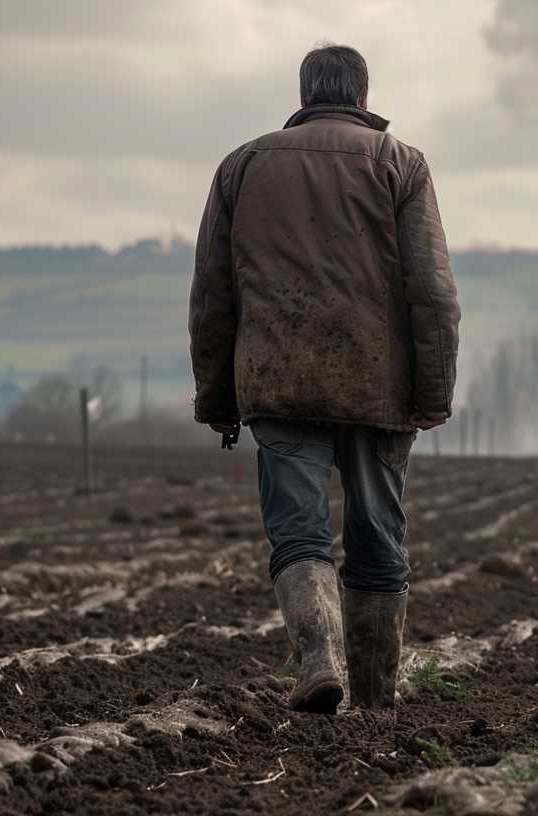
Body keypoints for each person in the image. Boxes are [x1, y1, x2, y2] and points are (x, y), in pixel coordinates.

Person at [188, 43, 460, 714]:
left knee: (299, 534)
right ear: (363, 96)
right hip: (378, 387)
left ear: (306, 91)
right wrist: (431, 394)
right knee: (377, 538)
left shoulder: (243, 164)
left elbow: (213, 295)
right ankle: (373, 700)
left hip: (277, 380)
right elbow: (432, 292)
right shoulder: (401, 165)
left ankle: (319, 660)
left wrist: (218, 399)